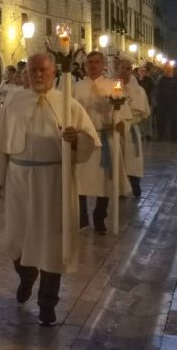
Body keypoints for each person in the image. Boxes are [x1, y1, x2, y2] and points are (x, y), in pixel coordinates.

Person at [0, 53, 100, 326]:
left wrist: (75, 140)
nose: (38, 75)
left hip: (54, 180)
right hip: (20, 180)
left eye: (44, 71)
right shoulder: (14, 103)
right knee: (18, 238)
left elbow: (89, 142)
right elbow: (1, 143)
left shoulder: (68, 104)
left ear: (53, 73)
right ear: (26, 73)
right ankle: (26, 275)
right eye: (33, 70)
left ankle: (48, 302)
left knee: (53, 242)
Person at [73, 51, 131, 233]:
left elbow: (123, 114)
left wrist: (120, 123)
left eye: (97, 62)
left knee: (105, 181)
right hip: (83, 138)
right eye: (90, 62)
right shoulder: (76, 87)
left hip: (105, 137)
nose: (93, 65)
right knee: (79, 180)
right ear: (85, 65)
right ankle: (82, 218)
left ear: (103, 64)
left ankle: (100, 217)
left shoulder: (113, 86)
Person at [119, 59, 149, 198]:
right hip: (115, 131)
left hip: (130, 130)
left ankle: (135, 183)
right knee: (117, 159)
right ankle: (120, 188)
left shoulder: (138, 90)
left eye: (128, 68)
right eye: (122, 68)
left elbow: (142, 113)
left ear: (132, 70)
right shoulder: (112, 86)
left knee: (132, 159)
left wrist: (128, 123)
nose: (124, 71)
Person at [155, 64, 177, 141]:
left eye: (169, 69)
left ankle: (174, 136)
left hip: (173, 103)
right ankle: (160, 136)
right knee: (161, 120)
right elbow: (158, 89)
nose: (168, 71)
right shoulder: (162, 79)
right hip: (162, 102)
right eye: (166, 69)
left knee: (174, 120)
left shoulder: (175, 79)